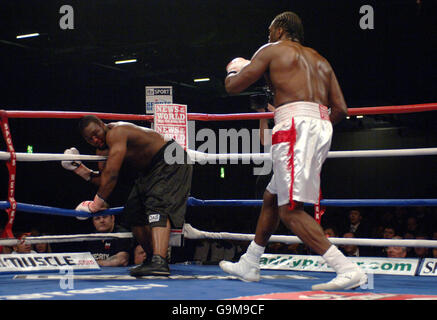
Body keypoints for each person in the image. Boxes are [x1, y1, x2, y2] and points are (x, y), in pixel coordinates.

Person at [219, 11, 367, 290]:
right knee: (271, 198)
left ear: (280, 29)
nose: (268, 36)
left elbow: (233, 86)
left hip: (294, 129)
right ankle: (250, 262)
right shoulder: (321, 60)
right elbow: (342, 110)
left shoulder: (272, 50)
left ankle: (346, 268)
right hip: (321, 127)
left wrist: (233, 67)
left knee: (290, 210)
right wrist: (313, 124)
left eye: (270, 31)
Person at [64, 116, 193, 276]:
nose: (96, 139)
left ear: (102, 124)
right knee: (133, 212)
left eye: (96, 133)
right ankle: (153, 259)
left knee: (157, 205)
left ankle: (160, 261)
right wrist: (79, 169)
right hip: (149, 171)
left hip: (170, 158)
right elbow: (105, 180)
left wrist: (94, 205)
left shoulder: (117, 132)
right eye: (90, 139)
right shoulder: (102, 149)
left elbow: (111, 176)